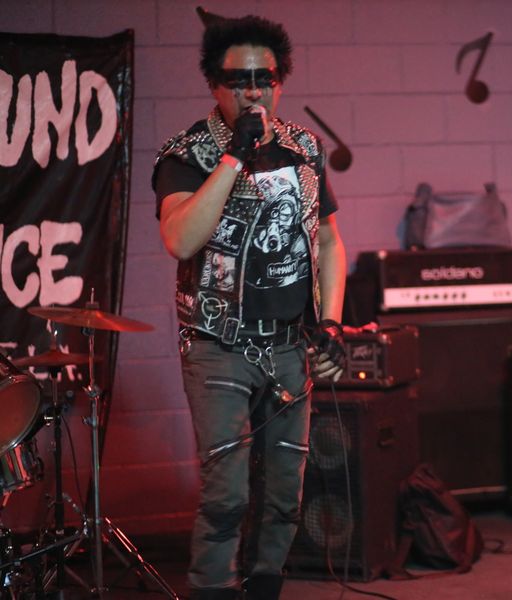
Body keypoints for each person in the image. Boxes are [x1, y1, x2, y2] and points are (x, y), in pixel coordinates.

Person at [152, 13, 347, 600]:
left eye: (265, 78)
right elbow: (180, 239)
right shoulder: (186, 153)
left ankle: (265, 589)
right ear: (215, 84)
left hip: (288, 344)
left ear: (280, 81)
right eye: (238, 80)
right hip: (219, 347)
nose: (253, 92)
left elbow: (329, 241)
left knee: (286, 491)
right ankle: (212, 589)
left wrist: (331, 322)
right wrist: (234, 157)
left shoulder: (304, 149)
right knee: (227, 493)